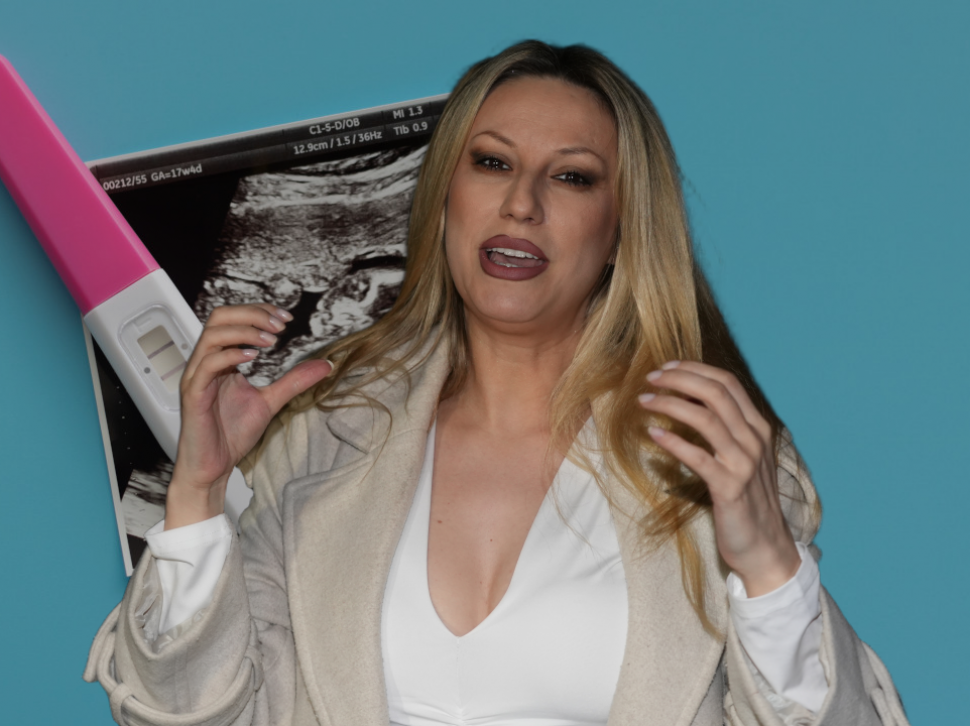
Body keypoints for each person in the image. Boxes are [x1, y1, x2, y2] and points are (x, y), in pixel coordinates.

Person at [84, 41, 909, 726]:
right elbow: (189, 718)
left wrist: (767, 565)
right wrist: (197, 496)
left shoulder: (714, 458)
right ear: (444, 197)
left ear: (622, 229)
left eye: (572, 176)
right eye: (491, 162)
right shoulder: (317, 444)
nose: (521, 203)